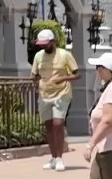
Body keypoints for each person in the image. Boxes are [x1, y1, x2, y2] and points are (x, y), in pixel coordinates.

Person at [31, 28, 78, 170]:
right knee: (49, 126)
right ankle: (53, 157)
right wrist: (34, 81)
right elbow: (34, 74)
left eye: (45, 43)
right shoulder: (38, 56)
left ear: (53, 42)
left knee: (58, 124)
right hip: (45, 94)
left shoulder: (65, 55)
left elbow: (76, 74)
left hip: (62, 94)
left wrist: (62, 78)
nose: (43, 46)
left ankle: (59, 158)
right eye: (41, 44)